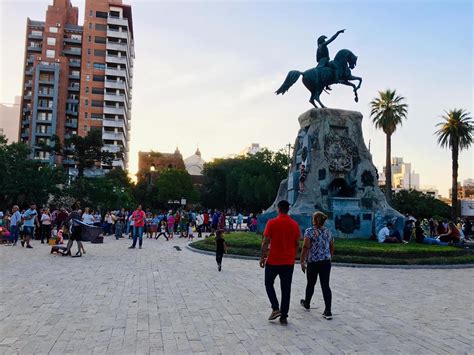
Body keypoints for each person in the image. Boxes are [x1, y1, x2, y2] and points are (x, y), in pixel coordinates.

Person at [260, 200, 301, 325]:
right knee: (286, 288)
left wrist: (262, 257)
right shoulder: (294, 225)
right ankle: (284, 316)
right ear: (288, 209)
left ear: (278, 209)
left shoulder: (272, 223)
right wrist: (293, 255)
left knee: (268, 283)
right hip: (288, 261)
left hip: (273, 260)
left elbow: (265, 241)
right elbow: (297, 243)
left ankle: (275, 307)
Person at [299, 211, 334, 320]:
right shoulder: (328, 232)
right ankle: (328, 310)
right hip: (325, 262)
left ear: (314, 220)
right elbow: (332, 246)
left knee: (311, 283)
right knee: (325, 285)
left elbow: (306, 247)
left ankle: (307, 302)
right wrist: (329, 257)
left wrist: (302, 261)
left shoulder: (309, 232)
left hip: (313, 262)